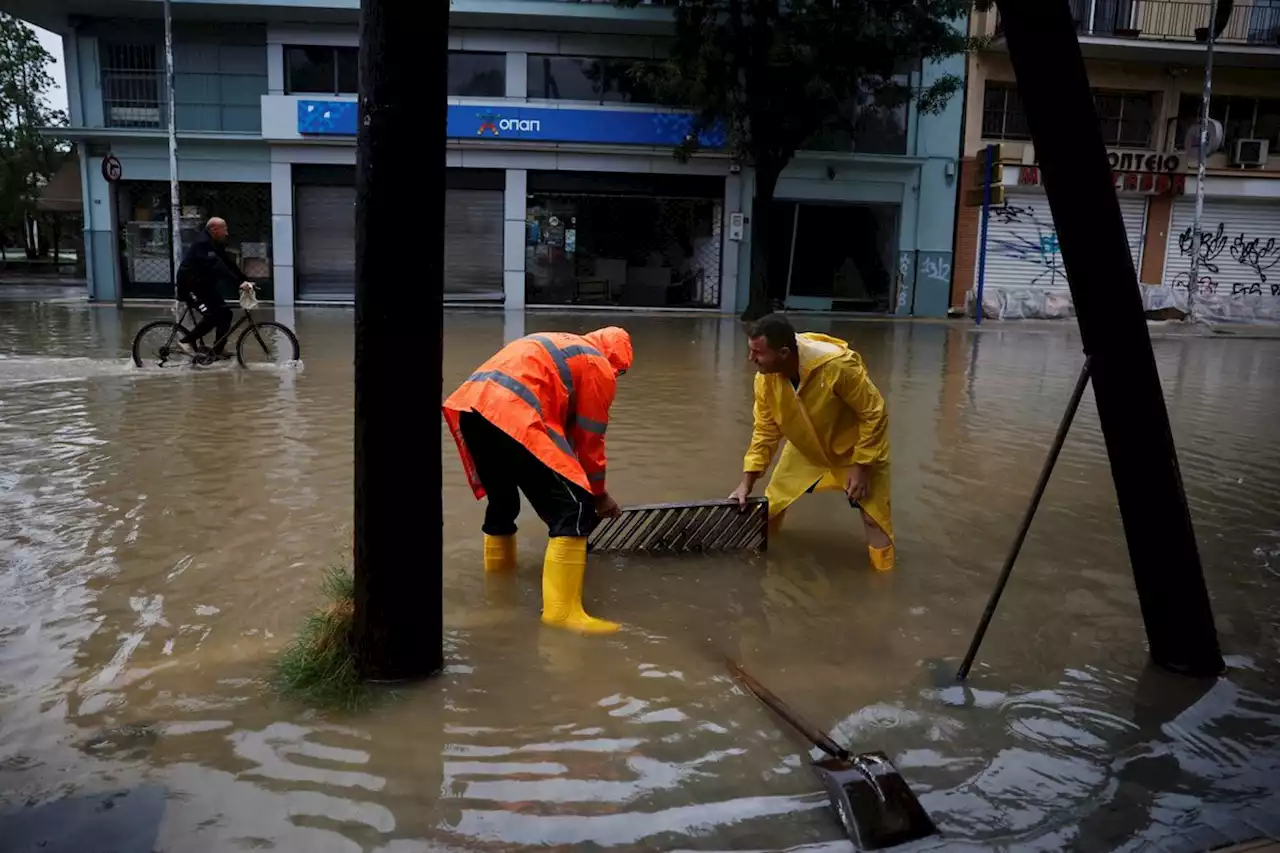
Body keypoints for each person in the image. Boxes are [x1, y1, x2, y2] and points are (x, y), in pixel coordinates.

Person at [442, 328, 633, 634]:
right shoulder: (599, 366)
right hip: (513, 414)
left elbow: (563, 438)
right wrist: (598, 495)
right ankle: (562, 614)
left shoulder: (565, 346)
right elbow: (590, 440)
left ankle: (499, 590)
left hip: (473, 410)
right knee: (575, 509)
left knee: (503, 502)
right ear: (618, 362)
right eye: (620, 372)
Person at [729, 314, 895, 571]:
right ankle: (757, 566)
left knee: (875, 521)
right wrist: (746, 483)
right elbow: (765, 431)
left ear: (784, 353)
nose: (751, 360)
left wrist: (863, 466)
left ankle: (884, 585)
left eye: (757, 353)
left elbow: (874, 412)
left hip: (856, 451)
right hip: (804, 450)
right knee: (769, 510)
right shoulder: (765, 379)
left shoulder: (837, 366)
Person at [176, 217, 252, 358]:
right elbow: (217, 266)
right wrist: (238, 283)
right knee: (213, 316)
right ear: (214, 229)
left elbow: (228, 263)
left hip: (204, 286)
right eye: (225, 229)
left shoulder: (215, 243)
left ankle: (217, 350)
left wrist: (246, 280)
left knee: (226, 314)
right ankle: (186, 342)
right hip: (190, 286)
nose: (227, 233)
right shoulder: (202, 244)